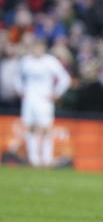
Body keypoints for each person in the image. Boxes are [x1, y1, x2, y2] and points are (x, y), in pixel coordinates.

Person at [15, 36, 71, 167]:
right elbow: (17, 78)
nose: (37, 50)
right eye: (35, 47)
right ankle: (33, 159)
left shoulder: (50, 62)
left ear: (44, 49)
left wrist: (56, 93)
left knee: (46, 129)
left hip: (44, 100)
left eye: (39, 47)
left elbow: (65, 79)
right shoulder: (26, 61)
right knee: (30, 129)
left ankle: (46, 159)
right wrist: (21, 91)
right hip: (29, 100)